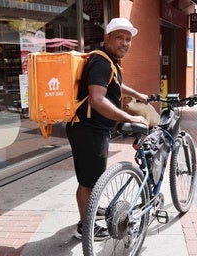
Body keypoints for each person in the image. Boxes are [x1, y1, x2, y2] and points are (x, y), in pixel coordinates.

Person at [65, 17, 149, 240]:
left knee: (91, 177)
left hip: (92, 129)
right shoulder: (101, 62)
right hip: (88, 129)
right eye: (119, 37)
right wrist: (128, 116)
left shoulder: (109, 61)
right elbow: (97, 99)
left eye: (128, 39)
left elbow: (115, 85)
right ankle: (85, 227)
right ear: (107, 38)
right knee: (88, 182)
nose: (125, 43)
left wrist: (137, 95)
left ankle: (91, 211)